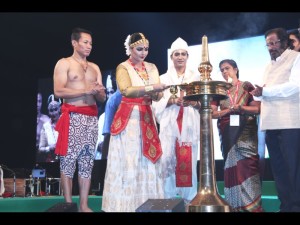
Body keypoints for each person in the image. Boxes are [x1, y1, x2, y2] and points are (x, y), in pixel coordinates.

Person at [102, 32, 166, 212]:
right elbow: (126, 90)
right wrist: (152, 88)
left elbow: (159, 95)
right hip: (129, 118)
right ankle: (126, 207)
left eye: (146, 49)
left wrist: (157, 92)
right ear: (130, 49)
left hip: (146, 115)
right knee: (129, 161)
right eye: (139, 49)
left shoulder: (152, 67)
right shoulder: (123, 67)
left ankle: (148, 204)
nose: (143, 53)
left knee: (147, 160)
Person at [53, 27, 106, 212]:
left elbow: (102, 99)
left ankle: (84, 205)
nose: (89, 46)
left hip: (91, 119)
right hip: (73, 117)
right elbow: (58, 91)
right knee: (68, 162)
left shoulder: (95, 68)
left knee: (86, 163)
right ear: (74, 43)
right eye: (85, 42)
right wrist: (85, 90)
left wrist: (100, 92)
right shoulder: (64, 63)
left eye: (91, 43)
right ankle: (69, 205)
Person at [251, 28, 300, 212]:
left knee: (293, 170)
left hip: (290, 124)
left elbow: (295, 86)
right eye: (268, 44)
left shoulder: (296, 58)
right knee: (279, 171)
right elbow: (266, 92)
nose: (271, 47)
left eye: (274, 43)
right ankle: (286, 207)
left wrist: (266, 91)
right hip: (270, 124)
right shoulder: (268, 66)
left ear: (285, 41)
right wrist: (258, 93)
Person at [152, 37, 200, 206]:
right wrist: (171, 101)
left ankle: (189, 203)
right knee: (167, 163)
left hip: (189, 126)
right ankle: (168, 203)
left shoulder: (196, 77)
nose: (180, 57)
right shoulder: (163, 78)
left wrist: (192, 102)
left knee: (189, 165)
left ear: (187, 56)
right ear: (171, 57)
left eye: (183, 54)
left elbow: (203, 103)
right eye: (176, 54)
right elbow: (155, 105)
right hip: (169, 127)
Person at [211, 59, 263, 212]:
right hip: (227, 132)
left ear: (236, 69)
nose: (224, 72)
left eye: (227, 68)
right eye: (222, 70)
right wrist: (228, 111)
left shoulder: (246, 86)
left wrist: (241, 108)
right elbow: (213, 114)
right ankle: (234, 207)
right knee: (231, 168)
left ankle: (253, 208)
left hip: (246, 131)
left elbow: (257, 109)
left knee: (248, 168)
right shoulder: (219, 90)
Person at [37, 94, 61, 162]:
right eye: (51, 110)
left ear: (59, 109)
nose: (53, 113)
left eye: (55, 109)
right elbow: (40, 149)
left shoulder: (66, 124)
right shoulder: (46, 126)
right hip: (51, 160)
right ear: (48, 111)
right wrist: (49, 148)